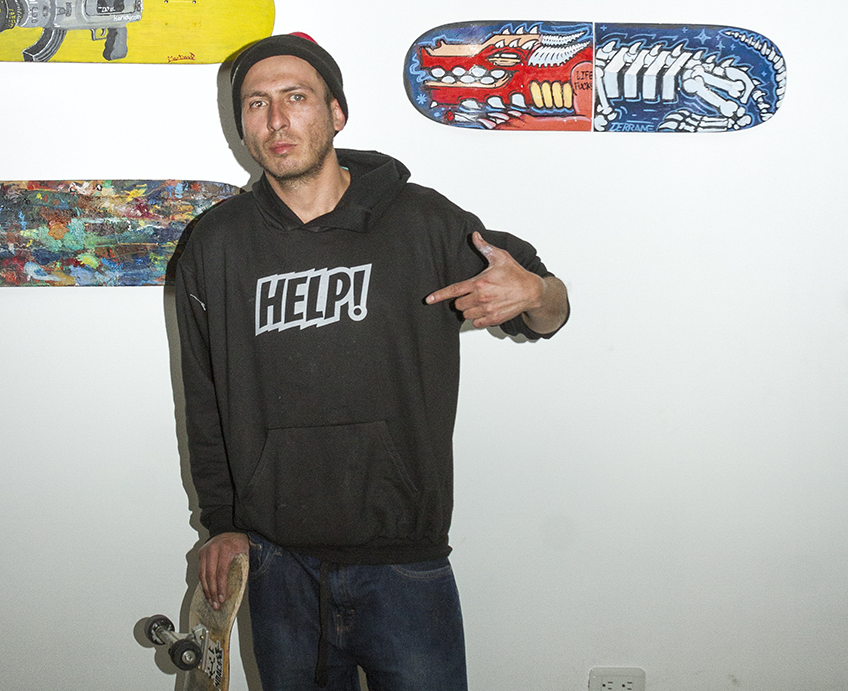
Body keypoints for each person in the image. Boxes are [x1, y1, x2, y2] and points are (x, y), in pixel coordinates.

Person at [175, 33, 569, 691]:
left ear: (336, 113)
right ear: (241, 126)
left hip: (403, 561)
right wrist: (222, 524)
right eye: (256, 104)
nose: (276, 120)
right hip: (276, 563)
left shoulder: (422, 222)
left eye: (296, 98)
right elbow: (204, 395)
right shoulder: (215, 244)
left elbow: (547, 313)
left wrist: (535, 293)